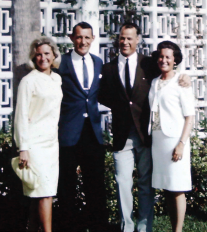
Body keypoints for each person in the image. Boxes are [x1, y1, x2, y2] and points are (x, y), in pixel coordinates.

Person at [99, 22, 155, 232]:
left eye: (130, 38)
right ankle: (127, 227)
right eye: (122, 38)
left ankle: (144, 227)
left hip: (145, 134)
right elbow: (103, 95)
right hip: (122, 135)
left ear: (137, 40)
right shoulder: (109, 67)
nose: (125, 42)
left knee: (145, 184)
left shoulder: (149, 64)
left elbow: (166, 81)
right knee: (123, 183)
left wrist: (183, 77)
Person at [57, 21, 108, 232]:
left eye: (87, 37)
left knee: (95, 185)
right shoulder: (61, 63)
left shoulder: (98, 62)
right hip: (68, 132)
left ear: (93, 39)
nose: (83, 41)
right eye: (79, 37)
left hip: (93, 132)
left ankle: (98, 227)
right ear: (71, 38)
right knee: (67, 186)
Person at [14, 36, 62, 232]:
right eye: (39, 54)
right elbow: (21, 116)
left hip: (52, 143)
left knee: (40, 193)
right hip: (34, 145)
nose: (43, 58)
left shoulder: (57, 78)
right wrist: (23, 147)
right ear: (34, 57)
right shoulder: (28, 81)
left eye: (47, 54)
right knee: (45, 193)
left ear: (54, 55)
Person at [148, 41, 195, 232]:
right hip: (158, 141)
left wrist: (181, 144)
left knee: (177, 188)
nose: (163, 60)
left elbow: (189, 116)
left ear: (175, 60)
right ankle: (172, 226)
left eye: (168, 57)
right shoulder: (154, 81)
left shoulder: (182, 82)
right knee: (167, 188)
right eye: (161, 56)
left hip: (175, 141)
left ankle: (178, 230)